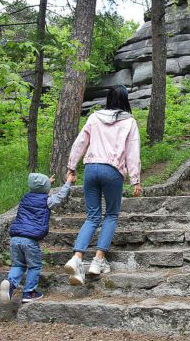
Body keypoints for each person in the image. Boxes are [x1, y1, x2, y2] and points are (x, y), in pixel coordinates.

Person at [64, 85, 142, 286]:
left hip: (91, 168)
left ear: (108, 99)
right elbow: (133, 151)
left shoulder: (94, 117)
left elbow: (80, 142)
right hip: (112, 170)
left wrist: (71, 166)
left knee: (92, 216)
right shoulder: (129, 122)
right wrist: (135, 179)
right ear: (125, 100)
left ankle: (77, 258)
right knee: (112, 214)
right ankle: (98, 260)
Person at [0, 172, 75, 303]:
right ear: (45, 188)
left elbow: (37, 190)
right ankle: (29, 292)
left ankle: (10, 283)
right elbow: (60, 196)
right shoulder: (47, 200)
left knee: (18, 264)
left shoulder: (25, 198)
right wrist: (68, 182)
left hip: (15, 238)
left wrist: (46, 184)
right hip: (30, 240)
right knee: (34, 266)